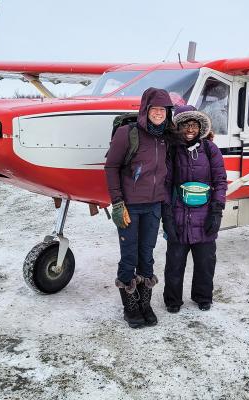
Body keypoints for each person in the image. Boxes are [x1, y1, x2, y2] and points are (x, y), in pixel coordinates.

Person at [104, 87, 174, 328]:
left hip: (153, 207)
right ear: (145, 110)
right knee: (129, 258)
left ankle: (145, 304)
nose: (158, 113)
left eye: (163, 110)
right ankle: (130, 307)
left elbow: (191, 130)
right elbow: (111, 168)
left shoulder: (166, 137)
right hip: (130, 207)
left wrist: (207, 137)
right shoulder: (127, 133)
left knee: (147, 257)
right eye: (154, 109)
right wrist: (117, 202)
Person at [162, 105, 227, 313]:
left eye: (194, 125)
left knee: (205, 262)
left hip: (205, 215)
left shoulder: (210, 149)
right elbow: (165, 184)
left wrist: (216, 212)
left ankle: (202, 296)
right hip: (179, 215)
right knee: (174, 263)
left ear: (200, 128)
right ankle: (172, 300)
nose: (190, 129)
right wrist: (167, 218)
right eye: (185, 126)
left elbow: (220, 181)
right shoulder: (172, 151)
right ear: (178, 128)